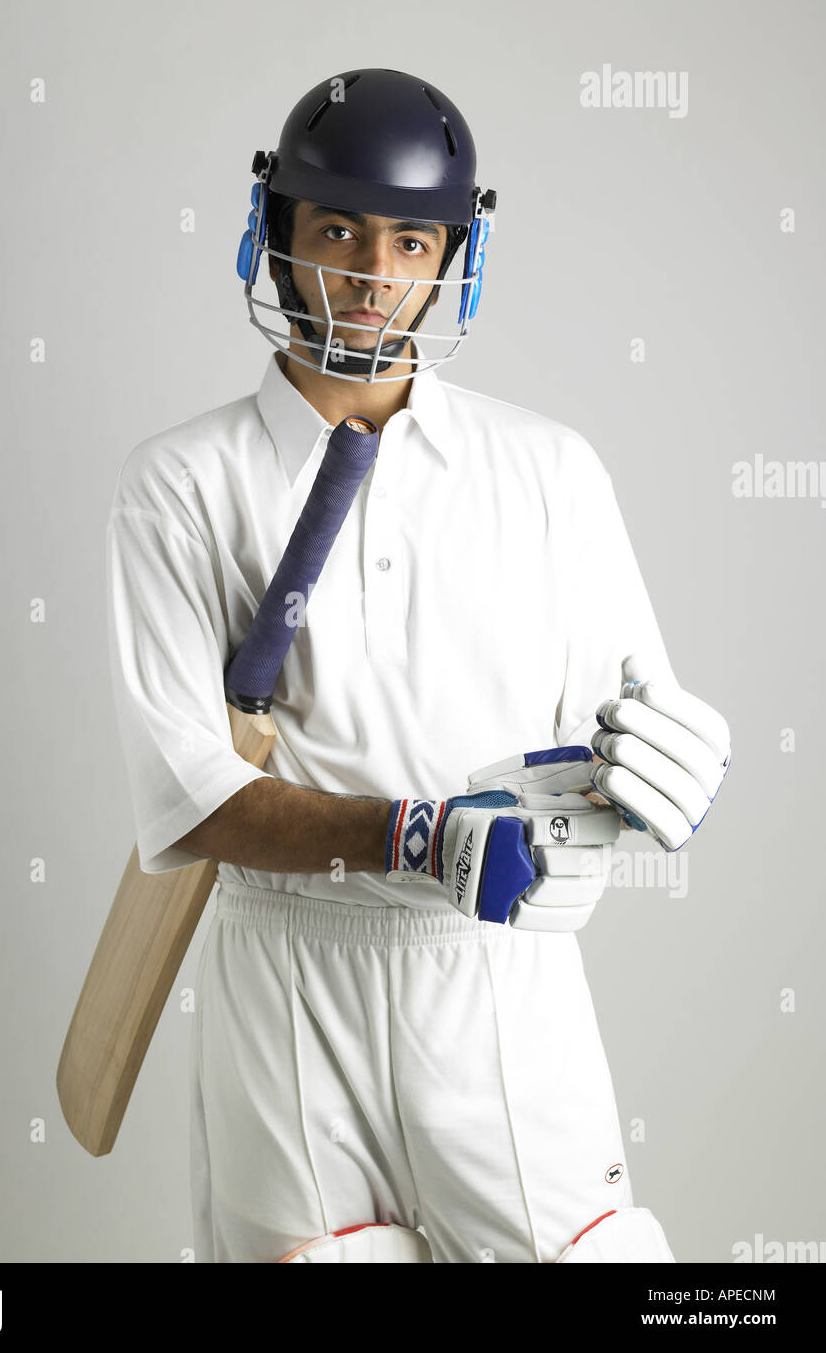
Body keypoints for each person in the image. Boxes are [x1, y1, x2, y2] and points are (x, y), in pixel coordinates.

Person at [106, 69, 730, 1263]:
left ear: (454, 255)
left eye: (410, 239)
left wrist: (658, 780)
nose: (373, 273)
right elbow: (191, 797)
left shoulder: (549, 470)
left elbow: (614, 745)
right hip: (289, 988)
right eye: (336, 228)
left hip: (500, 979)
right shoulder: (179, 483)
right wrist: (410, 836)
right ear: (276, 235)